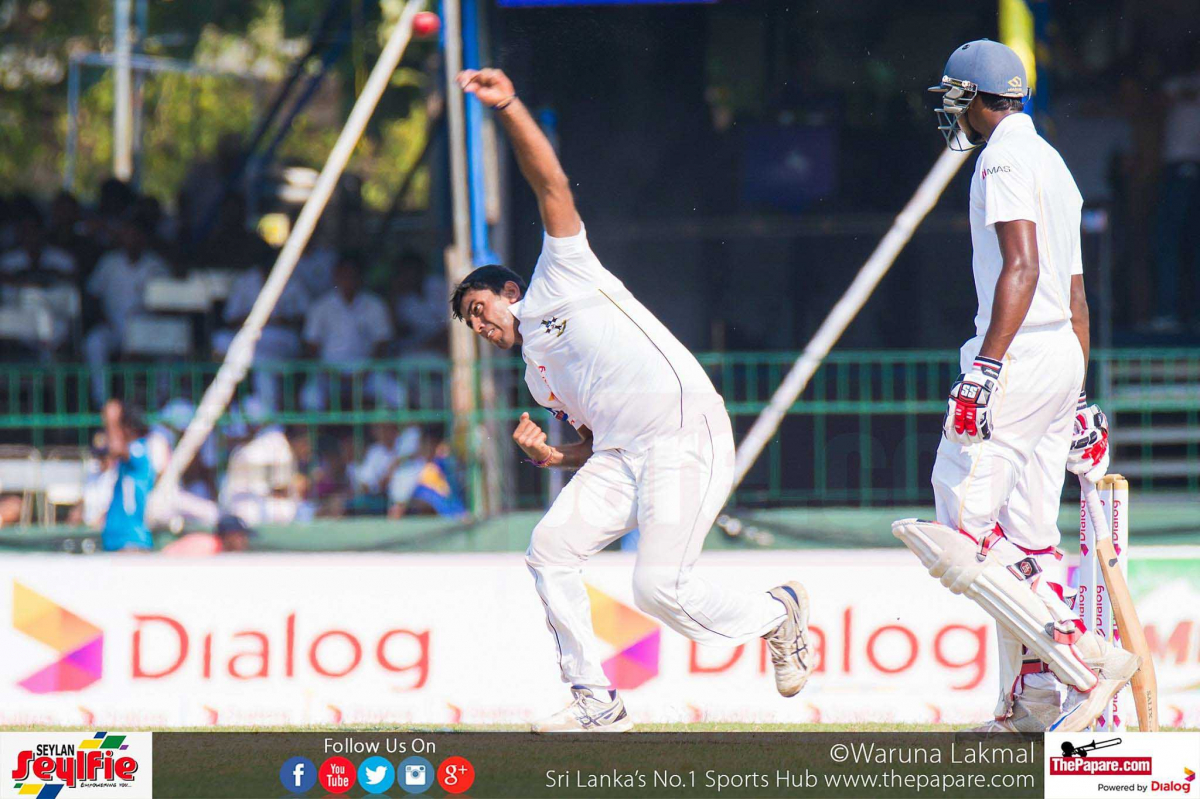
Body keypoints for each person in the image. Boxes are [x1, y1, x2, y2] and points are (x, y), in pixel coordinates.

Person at [450, 68, 812, 733]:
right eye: (469, 323)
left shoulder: (561, 274)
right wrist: (553, 454)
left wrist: (509, 107)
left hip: (682, 435)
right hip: (620, 457)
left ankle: (776, 612)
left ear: (509, 291)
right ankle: (597, 699)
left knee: (657, 588)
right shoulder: (536, 379)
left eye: (479, 309)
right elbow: (590, 443)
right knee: (548, 549)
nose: (479, 325)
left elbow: (551, 185)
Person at [907, 39, 1133, 733]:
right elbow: (1077, 296)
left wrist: (986, 367)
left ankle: (1083, 656)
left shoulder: (1002, 157)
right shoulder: (1053, 162)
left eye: (955, 97)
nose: (953, 111)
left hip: (1021, 353)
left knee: (958, 529)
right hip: (1060, 353)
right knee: (1031, 538)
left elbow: (1023, 266)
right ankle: (1034, 702)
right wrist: (1079, 394)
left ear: (975, 97)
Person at [82, 211, 170, 402]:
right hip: (114, 327)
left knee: (168, 344)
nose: (132, 239)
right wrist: (103, 318)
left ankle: (161, 401)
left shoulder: (156, 265)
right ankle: (102, 400)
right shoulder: (109, 262)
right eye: (128, 234)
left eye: (136, 234)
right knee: (94, 342)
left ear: (144, 238)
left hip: (147, 329)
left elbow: (166, 304)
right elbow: (93, 295)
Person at [300, 254, 402, 410]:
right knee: (310, 398)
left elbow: (382, 343)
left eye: (352, 275)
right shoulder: (320, 306)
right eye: (343, 275)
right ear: (335, 276)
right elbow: (311, 345)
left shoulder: (375, 305)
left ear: (361, 277)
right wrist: (330, 374)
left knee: (398, 394)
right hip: (329, 372)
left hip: (366, 372)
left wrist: (364, 372)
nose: (348, 280)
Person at [100, 399, 155, 552]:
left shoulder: (140, 449)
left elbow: (116, 448)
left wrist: (112, 421)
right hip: (116, 540)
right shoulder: (129, 457)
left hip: (132, 540)